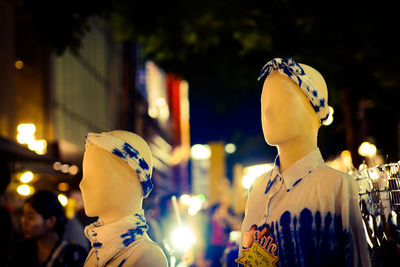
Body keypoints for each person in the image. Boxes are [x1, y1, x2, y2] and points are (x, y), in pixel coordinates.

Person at [238, 58, 371, 266]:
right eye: (264, 103)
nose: (268, 112)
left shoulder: (338, 187)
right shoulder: (257, 190)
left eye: (282, 101)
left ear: (313, 110)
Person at [80, 130, 168, 266]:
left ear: (130, 181)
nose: (82, 185)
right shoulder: (97, 249)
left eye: (94, 176)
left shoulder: (148, 256)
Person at [10, 190, 87, 267]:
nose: (24, 222)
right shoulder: (23, 250)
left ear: (51, 221)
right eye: (23, 216)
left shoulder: (73, 255)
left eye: (30, 217)